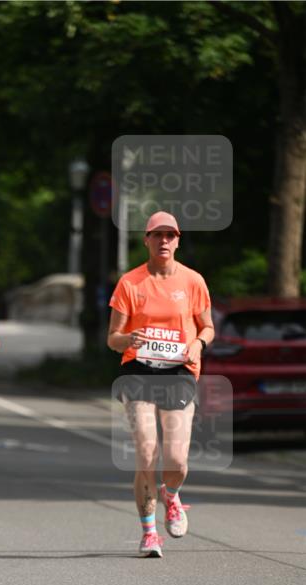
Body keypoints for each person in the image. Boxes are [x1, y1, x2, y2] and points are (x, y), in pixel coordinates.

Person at [107, 211, 214, 558]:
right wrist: (129, 339)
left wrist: (198, 344)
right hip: (138, 369)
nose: (164, 240)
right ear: (147, 240)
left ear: (178, 240)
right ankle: (149, 533)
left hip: (178, 371)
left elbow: (207, 327)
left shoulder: (193, 281)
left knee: (177, 461)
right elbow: (112, 339)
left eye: (170, 235)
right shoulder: (130, 282)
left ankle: (171, 494)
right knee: (145, 454)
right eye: (157, 235)